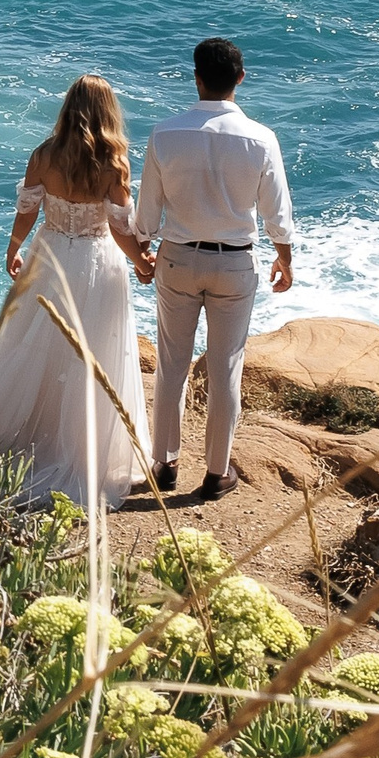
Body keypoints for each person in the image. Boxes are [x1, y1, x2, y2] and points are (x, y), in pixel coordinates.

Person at [0, 75, 155, 506]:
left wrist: (13, 249)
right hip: (95, 263)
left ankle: (25, 432)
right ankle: (84, 450)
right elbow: (122, 229)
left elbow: (27, 210)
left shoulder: (43, 155)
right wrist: (143, 261)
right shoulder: (113, 164)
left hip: (47, 257)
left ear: (67, 108)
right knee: (94, 353)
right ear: (109, 113)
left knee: (33, 345)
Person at [133, 37, 295, 501]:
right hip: (234, 263)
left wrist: (143, 249)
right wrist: (285, 259)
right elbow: (276, 214)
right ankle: (216, 472)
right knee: (225, 367)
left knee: (171, 364)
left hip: (179, 257)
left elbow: (147, 211)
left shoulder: (165, 133)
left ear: (197, 77)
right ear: (240, 79)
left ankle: (165, 463)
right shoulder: (261, 139)